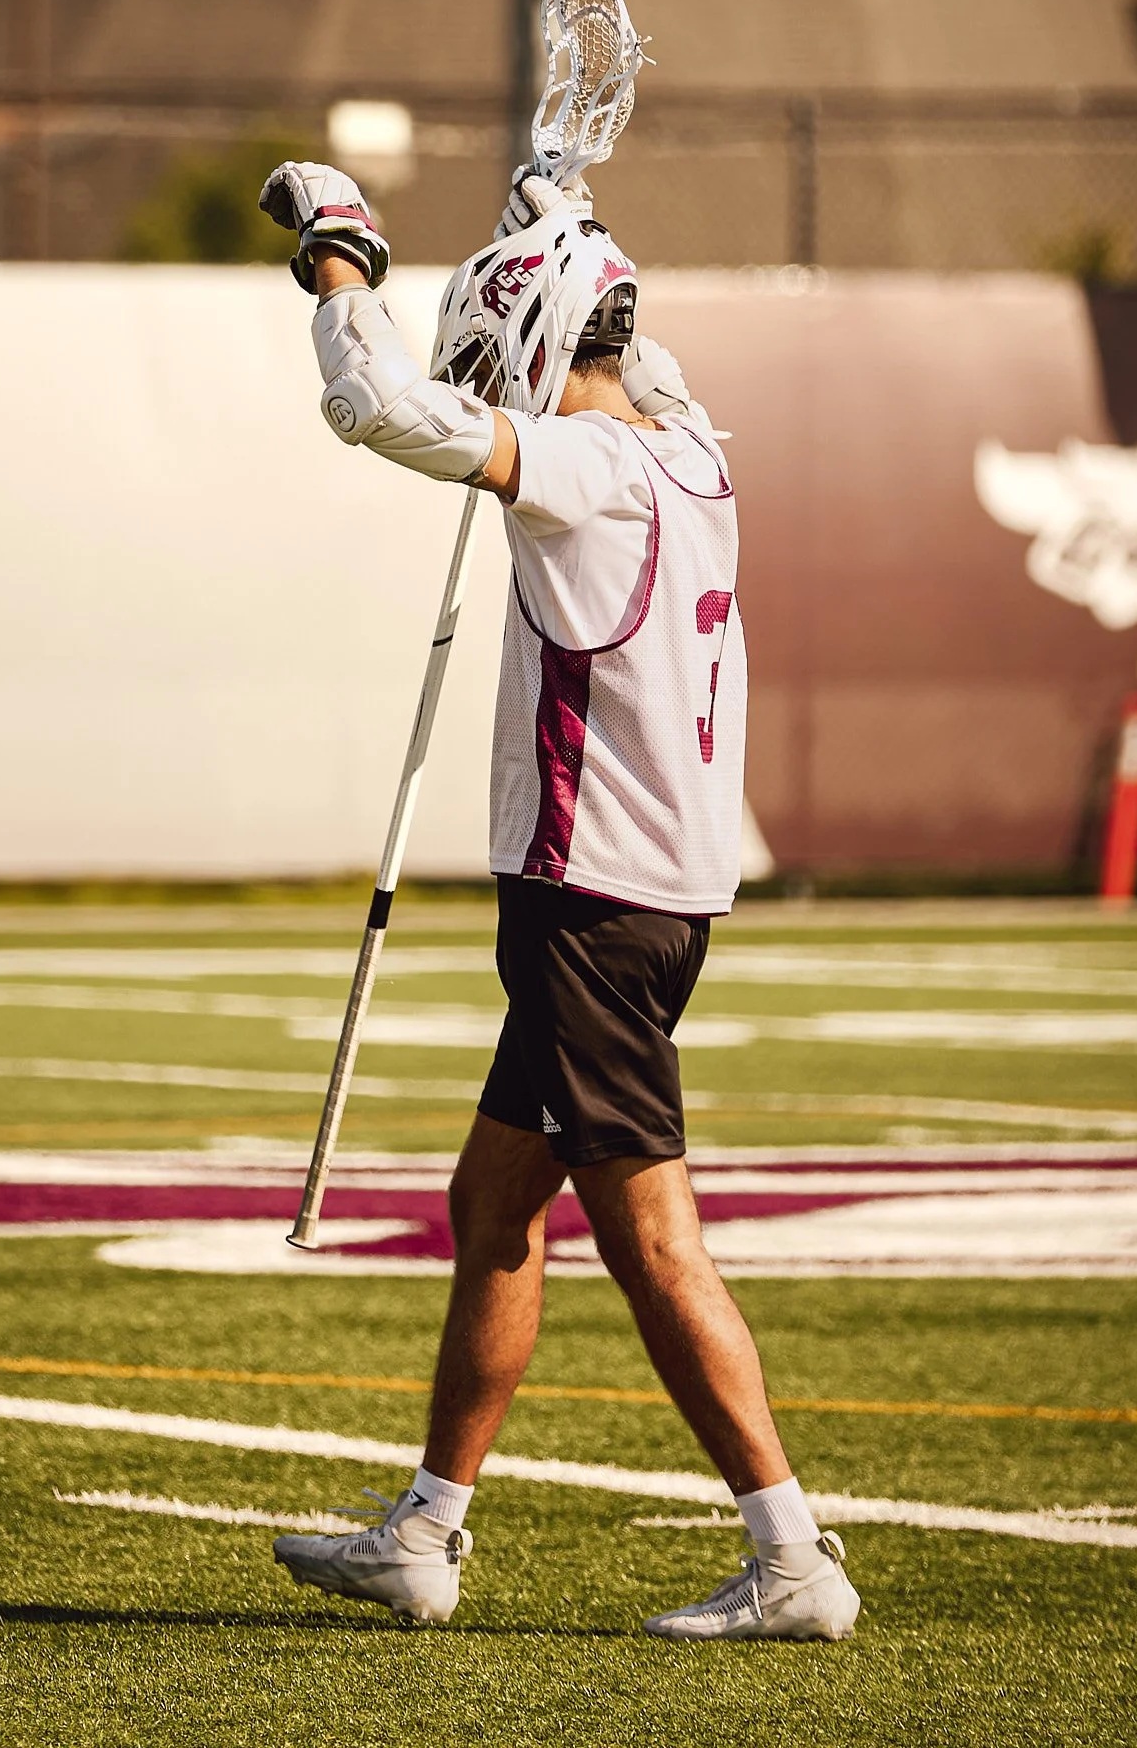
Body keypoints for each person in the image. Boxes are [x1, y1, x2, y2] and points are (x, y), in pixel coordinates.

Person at [255, 159, 860, 1643]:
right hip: (645, 899)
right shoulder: (689, 445)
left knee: (652, 1238)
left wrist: (343, 259)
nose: (482, 374)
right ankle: (424, 1532)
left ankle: (791, 1554)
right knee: (491, 1206)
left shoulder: (588, 467)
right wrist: (559, 216)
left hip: (595, 898)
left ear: (533, 334)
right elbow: (628, 347)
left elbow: (376, 407)